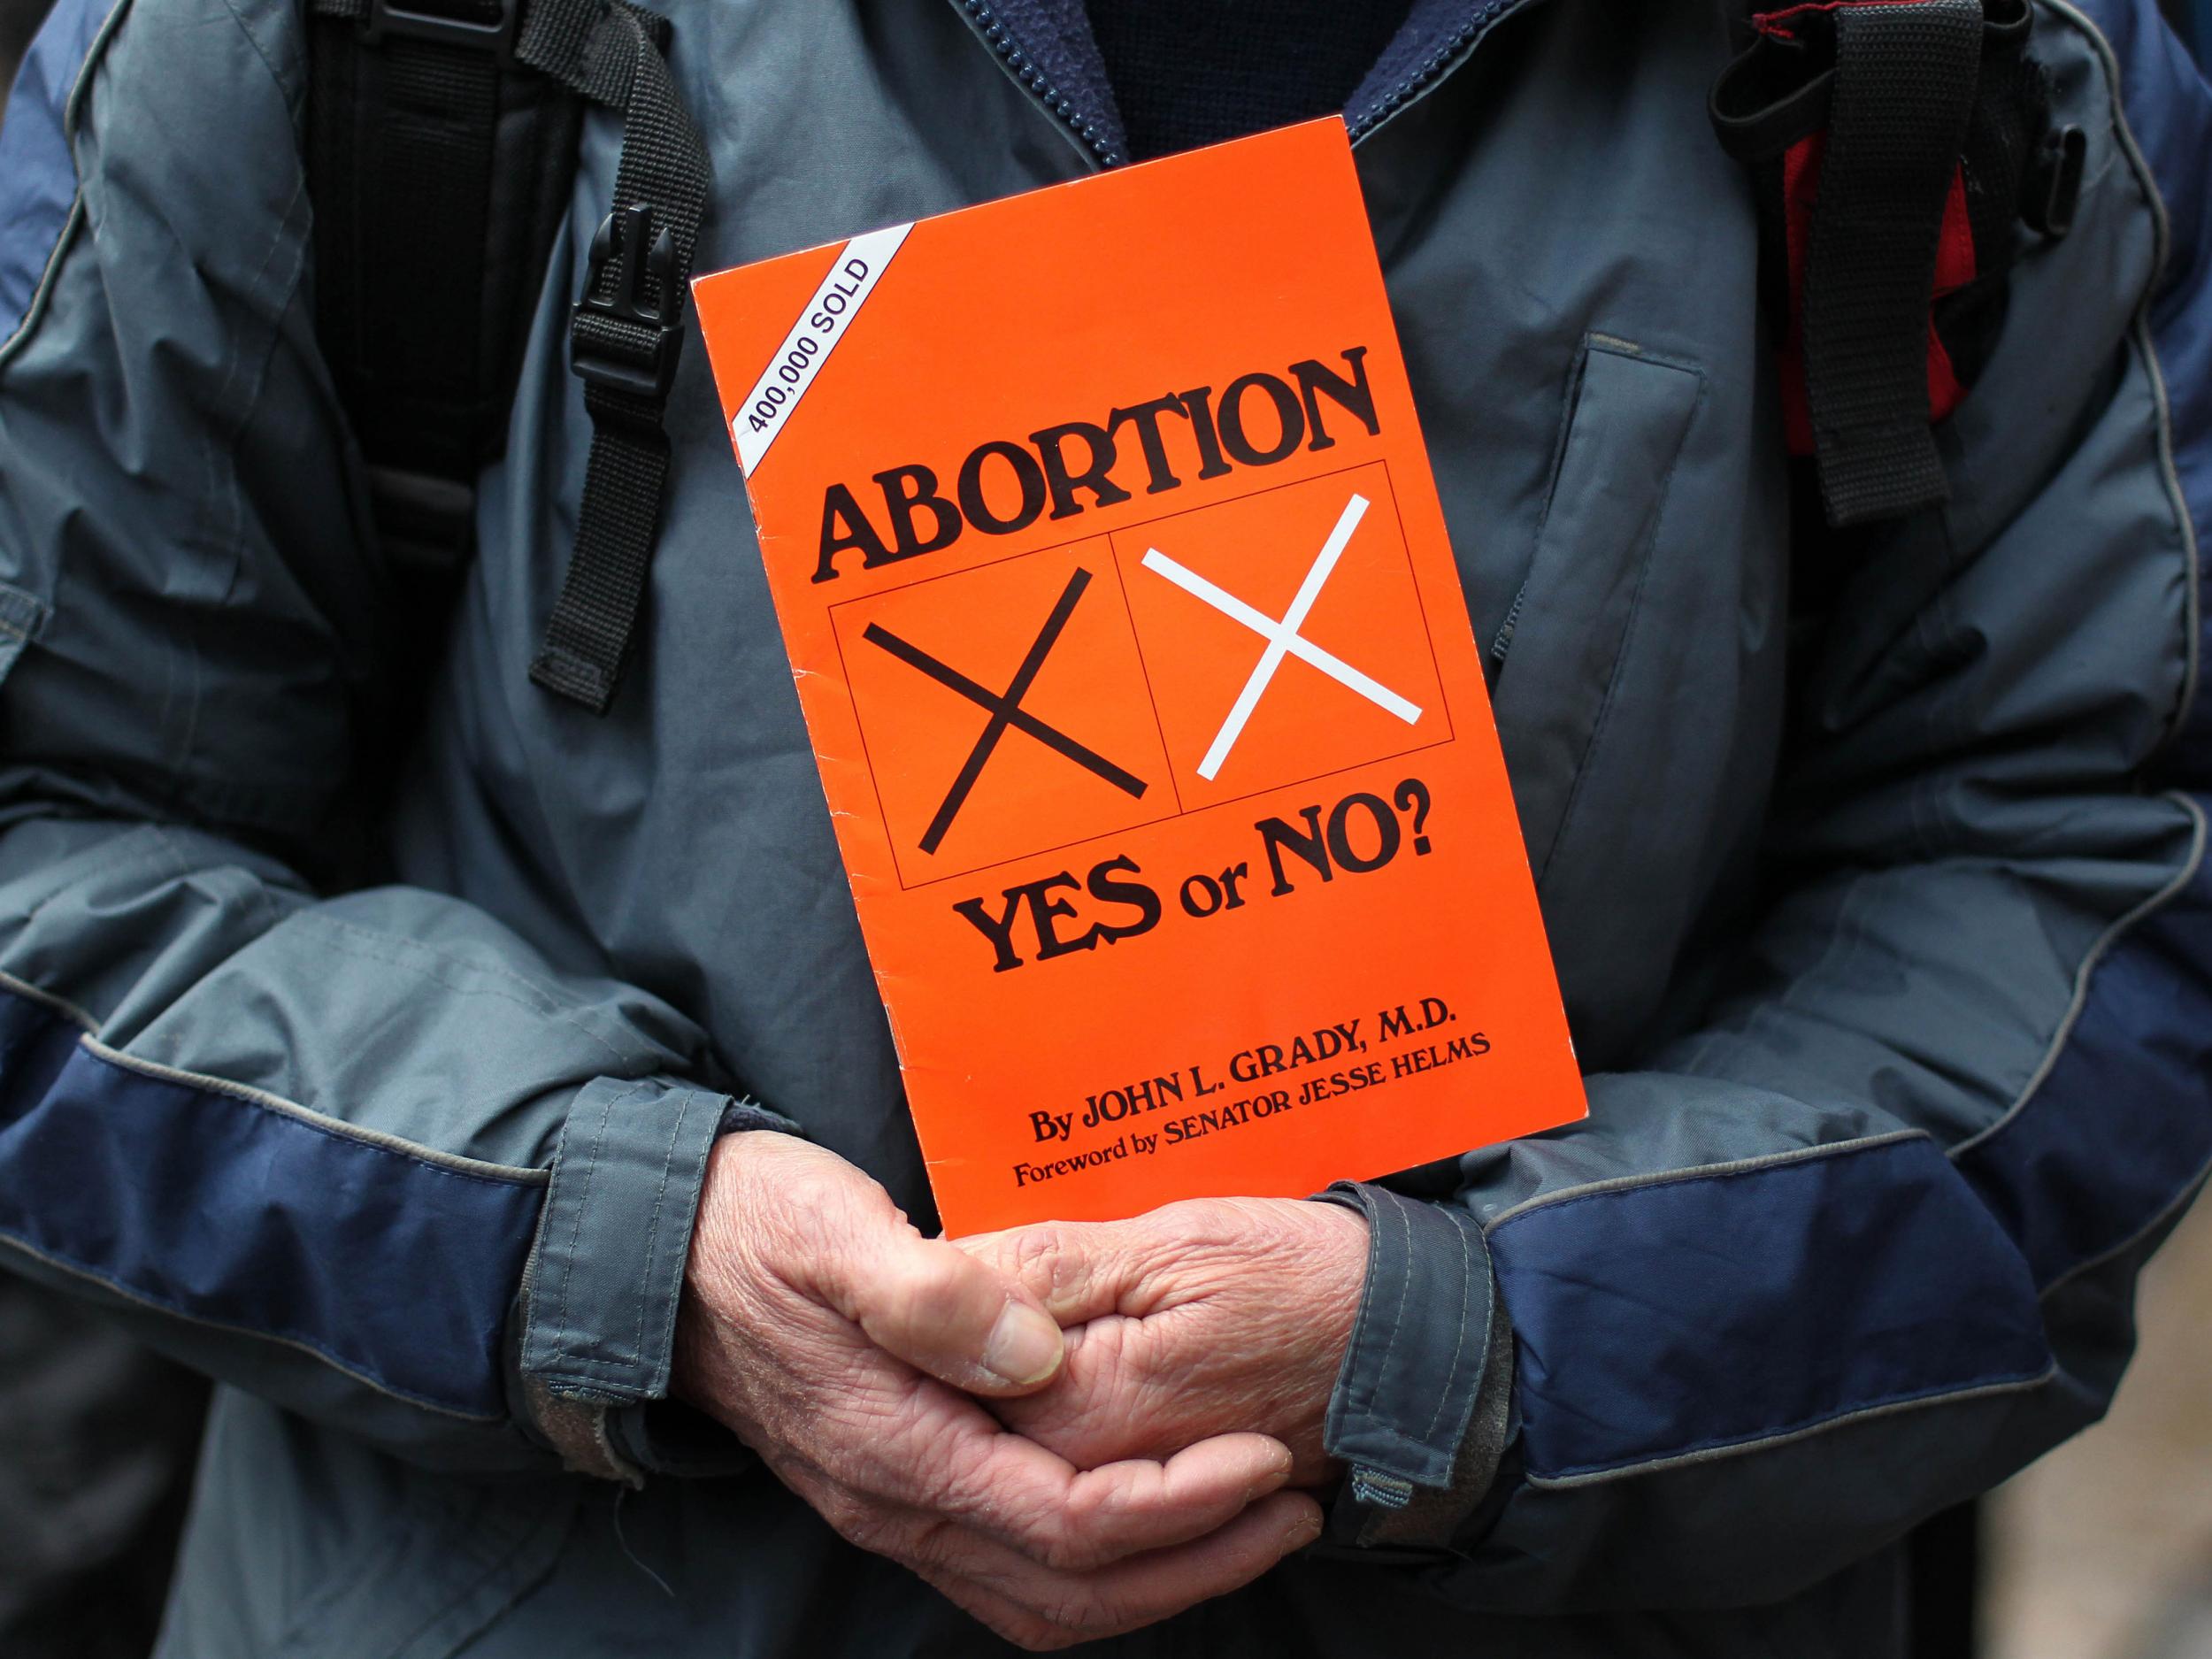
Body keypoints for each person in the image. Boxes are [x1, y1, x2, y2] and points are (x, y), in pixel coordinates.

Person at [0, 1, 2207, 1654]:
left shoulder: (1958, 49)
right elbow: (50, 843)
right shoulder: (387, 29)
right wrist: (628, 1256)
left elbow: (2085, 896)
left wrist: (1471, 1340)